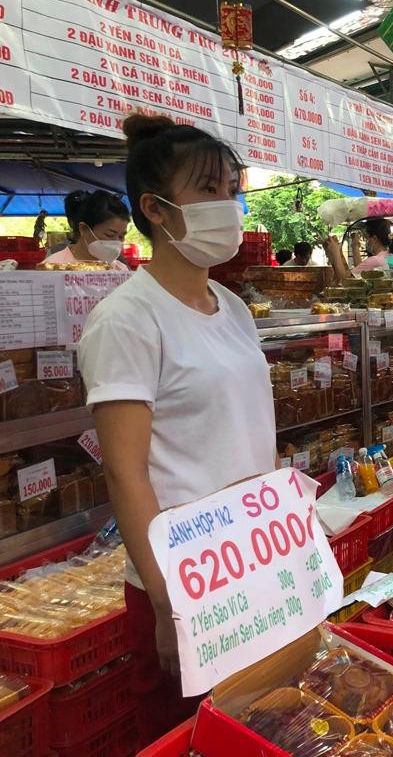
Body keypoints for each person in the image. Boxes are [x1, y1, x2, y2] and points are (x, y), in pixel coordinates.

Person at [77, 114, 276, 743]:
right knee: (186, 735)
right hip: (184, 582)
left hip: (250, 560)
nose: (229, 206)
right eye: (209, 190)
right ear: (156, 209)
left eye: (231, 189)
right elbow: (125, 470)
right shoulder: (126, 320)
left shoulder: (234, 308)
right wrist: (167, 606)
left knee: (256, 726)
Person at [42, 191, 130, 270]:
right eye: (109, 235)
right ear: (84, 229)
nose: (116, 242)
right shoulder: (53, 267)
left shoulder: (120, 270)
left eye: (121, 236)